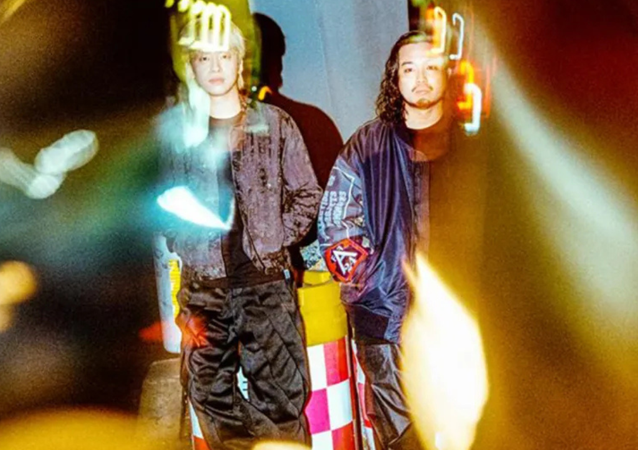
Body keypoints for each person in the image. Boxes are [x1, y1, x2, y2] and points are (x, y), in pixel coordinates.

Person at [156, 19, 321, 450]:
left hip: (267, 288)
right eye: (204, 58)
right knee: (207, 394)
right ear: (192, 66)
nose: (215, 67)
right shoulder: (179, 135)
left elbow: (308, 195)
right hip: (203, 292)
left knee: (282, 400)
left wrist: (275, 238)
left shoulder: (276, 123)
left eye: (224, 56)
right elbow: (162, 203)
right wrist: (185, 241)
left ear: (239, 61)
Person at [317, 30, 454, 450]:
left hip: (462, 324)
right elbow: (335, 227)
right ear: (395, 78)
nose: (421, 78)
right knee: (402, 440)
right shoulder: (367, 146)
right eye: (409, 69)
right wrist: (374, 283)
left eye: (431, 67)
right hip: (387, 326)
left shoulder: (476, 146)